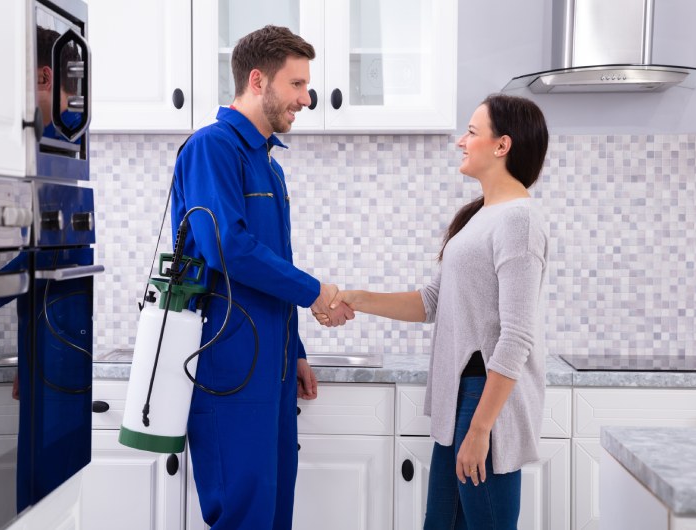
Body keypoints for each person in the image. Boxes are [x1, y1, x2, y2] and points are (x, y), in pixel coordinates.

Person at [327, 94, 550, 529]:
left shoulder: (518, 221)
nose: (459, 141)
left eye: (471, 131)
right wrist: (355, 297)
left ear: (502, 145)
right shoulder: (479, 216)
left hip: (485, 400)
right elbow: (432, 301)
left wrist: (482, 428)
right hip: (459, 400)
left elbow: (517, 335)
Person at [169, 25, 354, 530]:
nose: (307, 98)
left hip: (269, 369)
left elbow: (273, 263)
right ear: (257, 80)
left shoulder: (269, 167)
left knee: (273, 517)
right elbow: (226, 247)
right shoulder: (212, 148)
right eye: (296, 84)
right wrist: (316, 291)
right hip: (228, 368)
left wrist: (294, 350)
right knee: (243, 516)